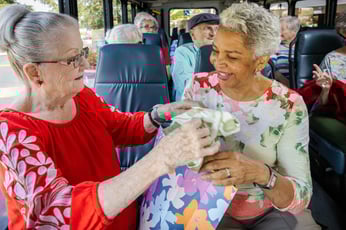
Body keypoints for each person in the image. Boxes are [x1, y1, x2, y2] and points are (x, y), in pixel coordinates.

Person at [0, 5, 221, 229]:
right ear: (34, 72)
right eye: (72, 59)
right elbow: (59, 212)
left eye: (82, 53)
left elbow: (121, 127)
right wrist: (160, 159)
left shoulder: (81, 96)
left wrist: (159, 114)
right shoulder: (12, 131)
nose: (85, 65)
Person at [182, 3, 320, 229]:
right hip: (207, 206)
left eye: (233, 56)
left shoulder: (288, 105)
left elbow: (301, 195)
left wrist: (260, 173)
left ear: (260, 61)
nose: (218, 62)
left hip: (268, 210)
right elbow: (181, 152)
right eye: (216, 50)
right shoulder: (198, 87)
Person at [172, 13, 219, 101]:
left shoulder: (224, 52)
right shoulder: (183, 52)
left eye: (217, 29)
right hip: (190, 104)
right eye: (207, 28)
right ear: (192, 34)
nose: (213, 34)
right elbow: (185, 83)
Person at [263, 16, 300, 86]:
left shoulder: (301, 50)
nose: (278, 32)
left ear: (293, 32)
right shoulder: (275, 46)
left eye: (282, 29)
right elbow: (268, 68)